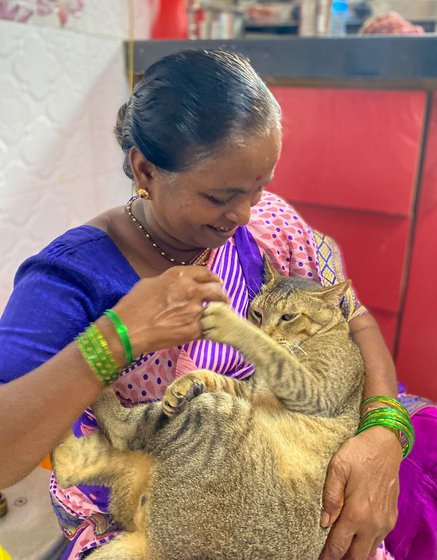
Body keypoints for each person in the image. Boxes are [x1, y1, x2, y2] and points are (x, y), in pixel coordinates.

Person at [0, 49, 434, 560]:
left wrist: (382, 436)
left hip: (289, 472)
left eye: (259, 186)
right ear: (144, 169)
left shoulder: (269, 227)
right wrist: (118, 337)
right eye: (220, 196)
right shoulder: (70, 279)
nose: (245, 213)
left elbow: (355, 322)